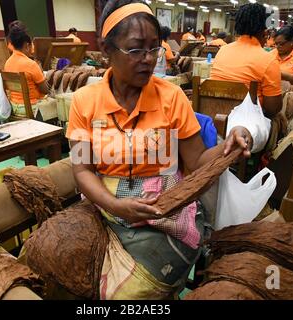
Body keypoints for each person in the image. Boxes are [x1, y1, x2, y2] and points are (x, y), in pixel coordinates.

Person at [66, 0, 253, 299]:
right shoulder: (83, 102)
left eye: (154, 48)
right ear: (107, 50)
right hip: (105, 207)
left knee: (132, 293)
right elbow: (82, 169)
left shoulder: (172, 96)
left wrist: (231, 140)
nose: (149, 59)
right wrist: (115, 206)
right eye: (136, 49)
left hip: (164, 211)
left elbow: (197, 161)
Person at [210, 3, 282, 118]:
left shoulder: (222, 51)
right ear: (264, 30)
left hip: (215, 116)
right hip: (246, 125)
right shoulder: (268, 59)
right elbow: (272, 109)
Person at [3, 23, 55, 120]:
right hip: (31, 108)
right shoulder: (31, 64)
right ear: (27, 45)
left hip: (13, 106)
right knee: (57, 105)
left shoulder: (7, 63)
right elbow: (45, 90)